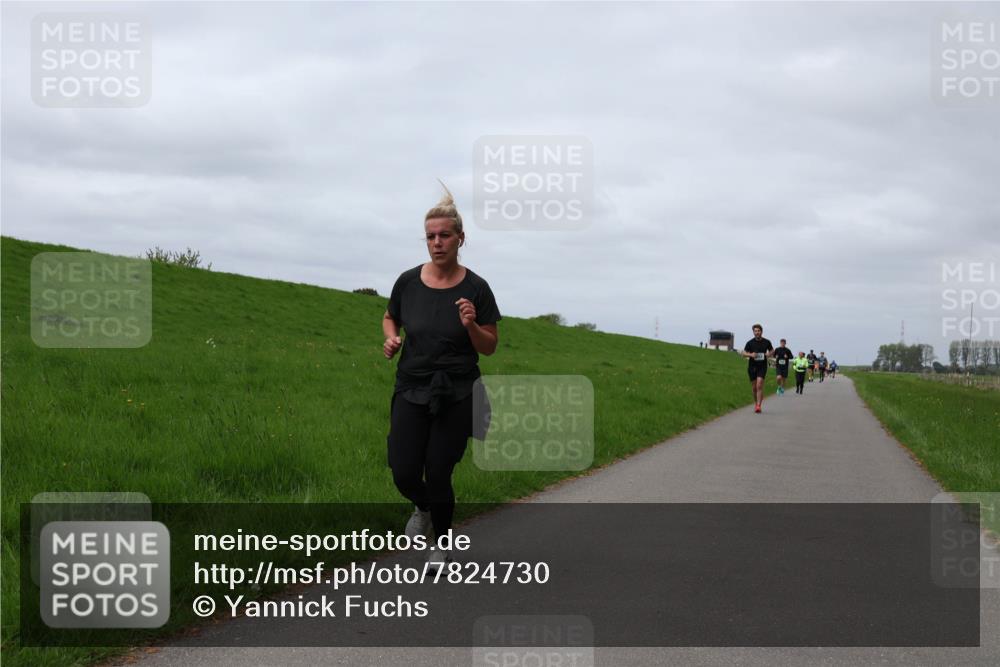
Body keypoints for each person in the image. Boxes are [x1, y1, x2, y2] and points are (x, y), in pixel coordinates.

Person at [382, 183, 501, 570]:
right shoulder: (408, 282)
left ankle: (442, 547)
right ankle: (422, 508)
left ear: (460, 238)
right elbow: (390, 316)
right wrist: (391, 339)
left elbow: (489, 346)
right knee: (402, 469)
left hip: (457, 392)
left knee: (438, 470)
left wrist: (470, 324)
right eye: (431, 236)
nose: (437, 243)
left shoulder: (476, 288)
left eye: (445, 235)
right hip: (412, 386)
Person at [741, 324, 774, 413]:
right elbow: (743, 353)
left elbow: (772, 350)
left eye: (758, 331)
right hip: (752, 366)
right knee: (754, 388)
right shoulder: (750, 343)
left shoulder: (767, 342)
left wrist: (768, 354)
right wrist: (751, 355)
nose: (757, 332)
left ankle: (759, 406)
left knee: (759, 385)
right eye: (755, 331)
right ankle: (756, 404)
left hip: (762, 366)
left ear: (761, 332)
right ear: (753, 332)